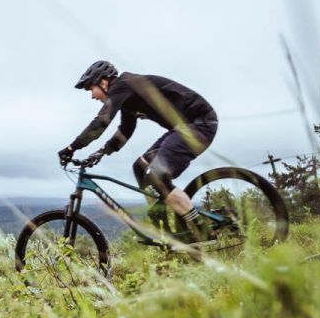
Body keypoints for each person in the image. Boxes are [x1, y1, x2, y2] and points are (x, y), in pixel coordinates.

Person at [57, 60, 218, 240]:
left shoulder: (123, 85)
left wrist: (72, 147)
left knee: (158, 178)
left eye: (90, 89)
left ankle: (202, 229)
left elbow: (101, 122)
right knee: (139, 167)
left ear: (103, 82)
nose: (92, 96)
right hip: (182, 129)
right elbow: (126, 130)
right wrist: (101, 153)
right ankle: (161, 223)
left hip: (199, 124)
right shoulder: (128, 94)